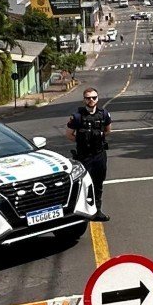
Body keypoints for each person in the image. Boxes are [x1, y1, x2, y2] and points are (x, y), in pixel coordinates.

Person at [66, 88, 113, 216]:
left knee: (98, 182)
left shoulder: (104, 114)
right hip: (84, 155)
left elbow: (108, 130)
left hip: (99, 154)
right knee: (84, 183)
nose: (91, 100)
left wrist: (97, 138)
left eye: (93, 97)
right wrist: (82, 140)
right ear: (84, 100)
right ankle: (83, 210)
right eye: (88, 98)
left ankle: (97, 210)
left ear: (97, 98)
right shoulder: (77, 117)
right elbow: (69, 135)